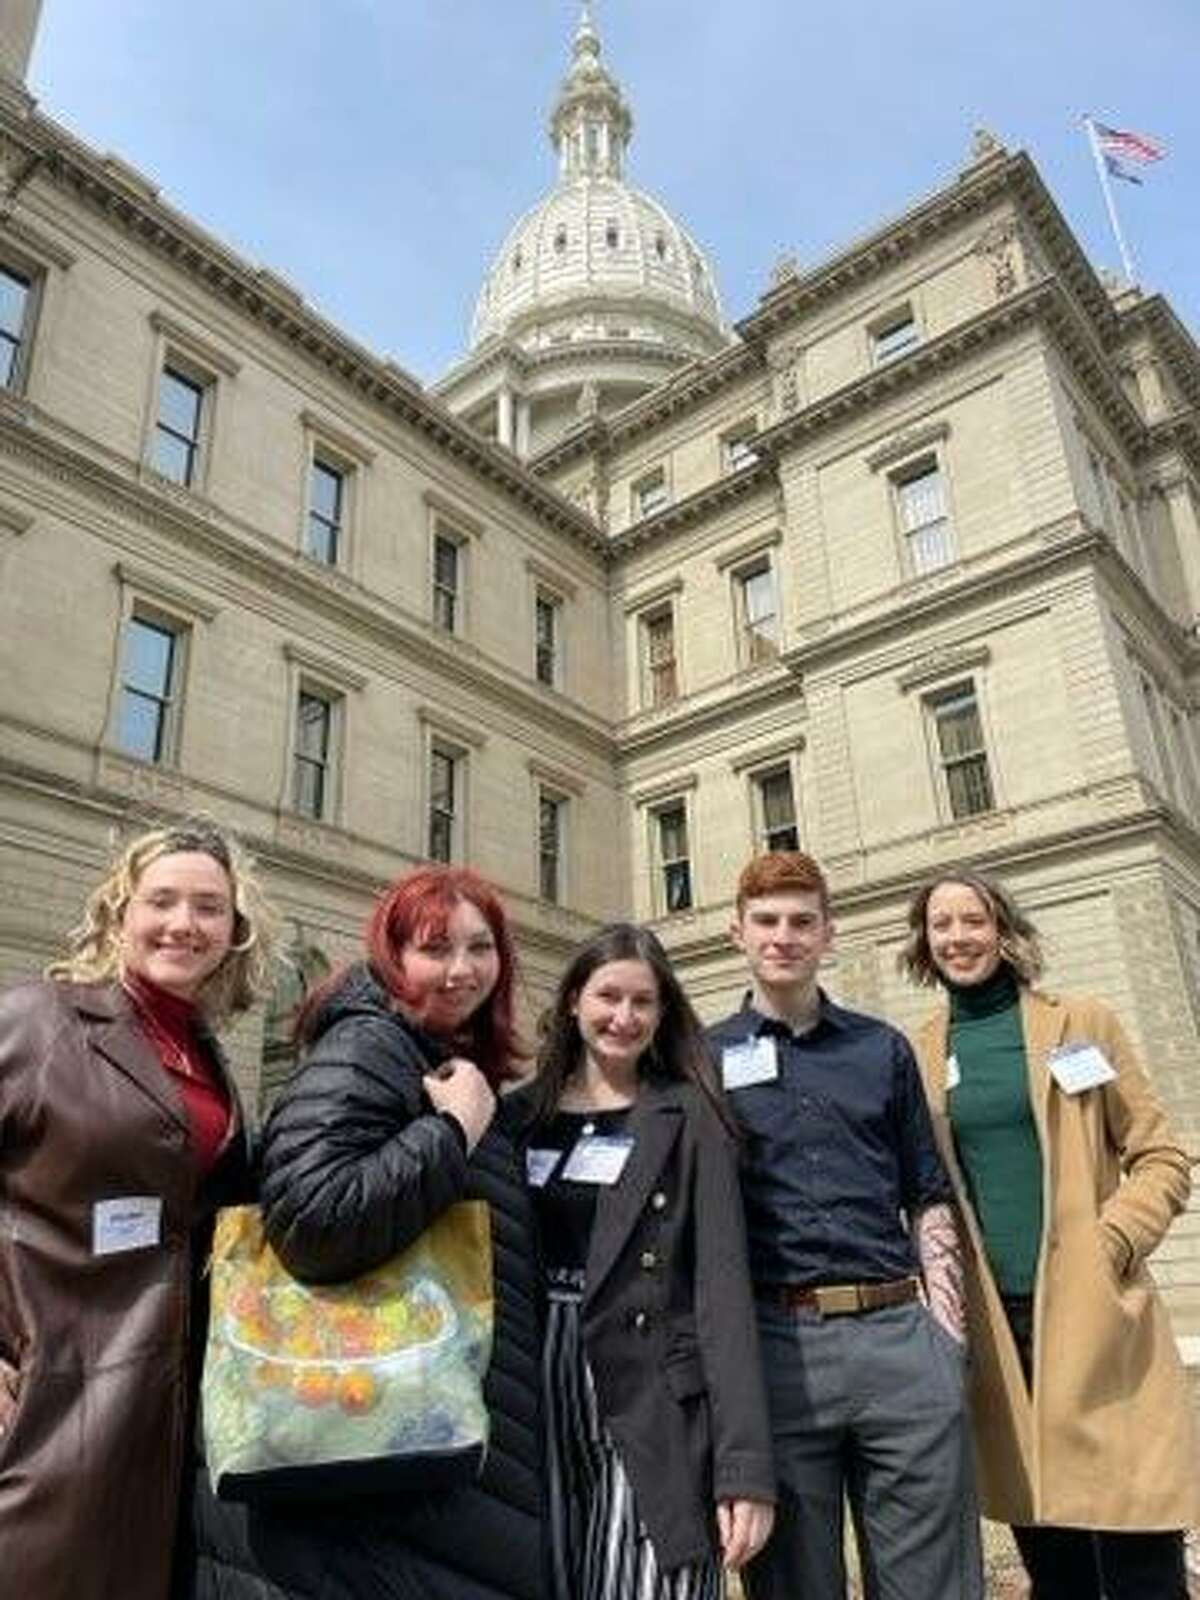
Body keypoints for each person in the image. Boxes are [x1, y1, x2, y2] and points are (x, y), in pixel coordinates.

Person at [192, 864, 544, 1600]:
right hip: (362, 1464)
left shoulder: (433, 1057)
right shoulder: (368, 1048)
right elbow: (311, 1220)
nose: (461, 969)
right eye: (434, 948)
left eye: (480, 948)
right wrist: (452, 1131)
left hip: (407, 1456)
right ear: (392, 956)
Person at [901, 868, 1200, 1599]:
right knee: (1052, 1551)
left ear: (1002, 930)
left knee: (1139, 1545)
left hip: (1099, 1311)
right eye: (942, 925)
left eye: (972, 921)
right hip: (1001, 1328)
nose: (958, 937)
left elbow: (1159, 1153)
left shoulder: (1081, 1022)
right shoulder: (918, 1051)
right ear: (923, 943)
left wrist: (1115, 1241)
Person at [0, 815, 276, 1600]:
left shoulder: (207, 1055)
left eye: (208, 907)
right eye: (162, 901)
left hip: (159, 1414)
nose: (184, 924)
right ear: (121, 912)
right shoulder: (39, 1020)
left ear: (235, 930)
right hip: (47, 1400)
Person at [709, 850, 984, 1600]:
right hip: (777, 1347)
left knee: (934, 1585)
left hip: (900, 1337)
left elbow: (926, 1192)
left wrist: (947, 1344)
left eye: (802, 921)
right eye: (766, 921)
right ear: (738, 933)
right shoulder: (703, 1059)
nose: (784, 936)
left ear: (828, 934)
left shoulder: (880, 1048)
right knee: (796, 1583)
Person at [515, 922, 775, 1600]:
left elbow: (723, 1291)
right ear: (573, 1000)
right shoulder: (521, 1115)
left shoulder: (692, 1117)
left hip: (652, 1387)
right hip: (536, 1376)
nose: (623, 1018)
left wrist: (744, 1470)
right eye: (608, 996)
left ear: (663, 1015)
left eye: (643, 1002)